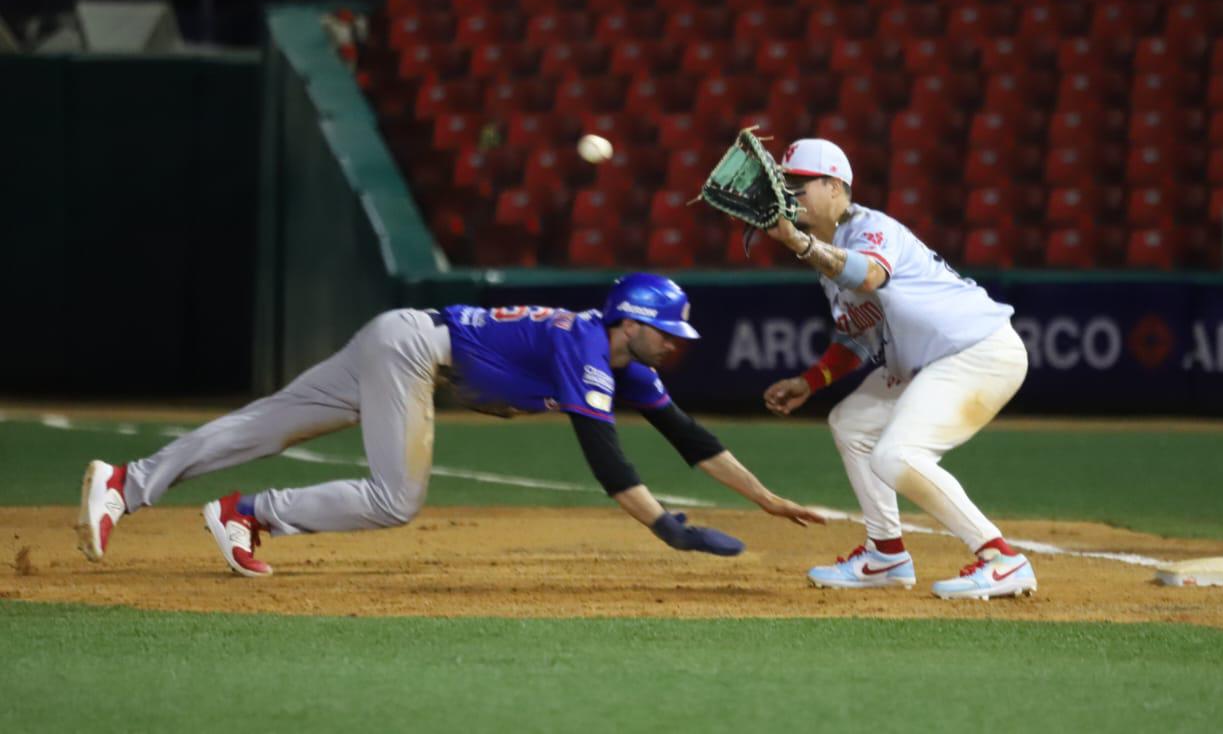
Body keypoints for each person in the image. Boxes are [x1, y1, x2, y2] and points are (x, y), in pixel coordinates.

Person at [77, 273, 825, 577]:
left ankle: (135, 484)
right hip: (412, 352)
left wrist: (765, 498)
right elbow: (604, 457)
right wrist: (667, 528)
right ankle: (242, 512)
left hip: (404, 340)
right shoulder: (586, 346)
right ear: (631, 321)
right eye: (665, 332)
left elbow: (689, 438)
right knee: (396, 498)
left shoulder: (625, 362)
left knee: (265, 426)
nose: (673, 344)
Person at [760, 138, 1037, 601]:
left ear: (834, 186)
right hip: (929, 363)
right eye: (786, 188)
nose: (791, 197)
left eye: (801, 186)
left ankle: (1002, 559)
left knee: (897, 454)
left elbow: (869, 276)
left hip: (976, 350)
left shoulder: (867, 227)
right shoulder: (826, 256)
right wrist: (811, 382)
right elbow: (855, 336)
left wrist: (797, 241)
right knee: (851, 423)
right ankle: (886, 554)